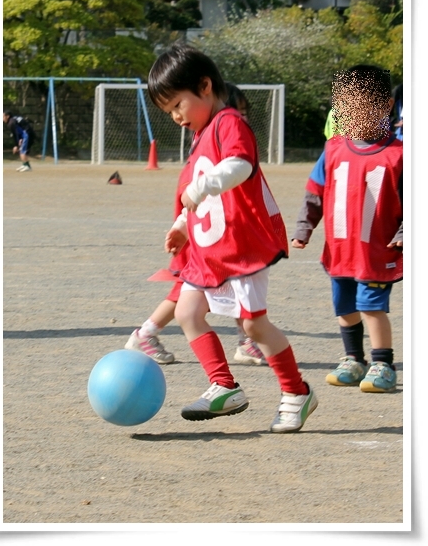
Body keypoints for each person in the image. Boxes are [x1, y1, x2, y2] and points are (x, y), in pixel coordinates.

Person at [146, 43, 318, 432]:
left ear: (204, 86)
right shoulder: (200, 136)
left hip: (242, 249)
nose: (175, 117)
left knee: (254, 327)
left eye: (177, 105)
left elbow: (240, 166)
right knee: (188, 312)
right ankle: (224, 386)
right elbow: (206, 206)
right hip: (209, 251)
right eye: (168, 111)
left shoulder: (228, 123)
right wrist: (182, 227)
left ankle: (297, 392)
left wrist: (203, 186)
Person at [125, 82, 267, 366]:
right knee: (189, 288)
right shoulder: (213, 140)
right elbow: (203, 189)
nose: (241, 119)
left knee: (228, 280)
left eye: (244, 112)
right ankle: (146, 333)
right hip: (202, 231)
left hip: (212, 230)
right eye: (235, 111)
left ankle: (246, 341)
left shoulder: (218, 139)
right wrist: (183, 224)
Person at [291, 64, 403, 393]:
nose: (348, 115)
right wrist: (303, 228)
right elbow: (315, 195)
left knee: (372, 307)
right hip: (340, 251)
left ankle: (383, 363)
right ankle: (353, 358)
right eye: (343, 107)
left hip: (376, 251)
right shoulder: (333, 149)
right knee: (345, 307)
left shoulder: (400, 155)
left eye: (359, 106)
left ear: (384, 107)